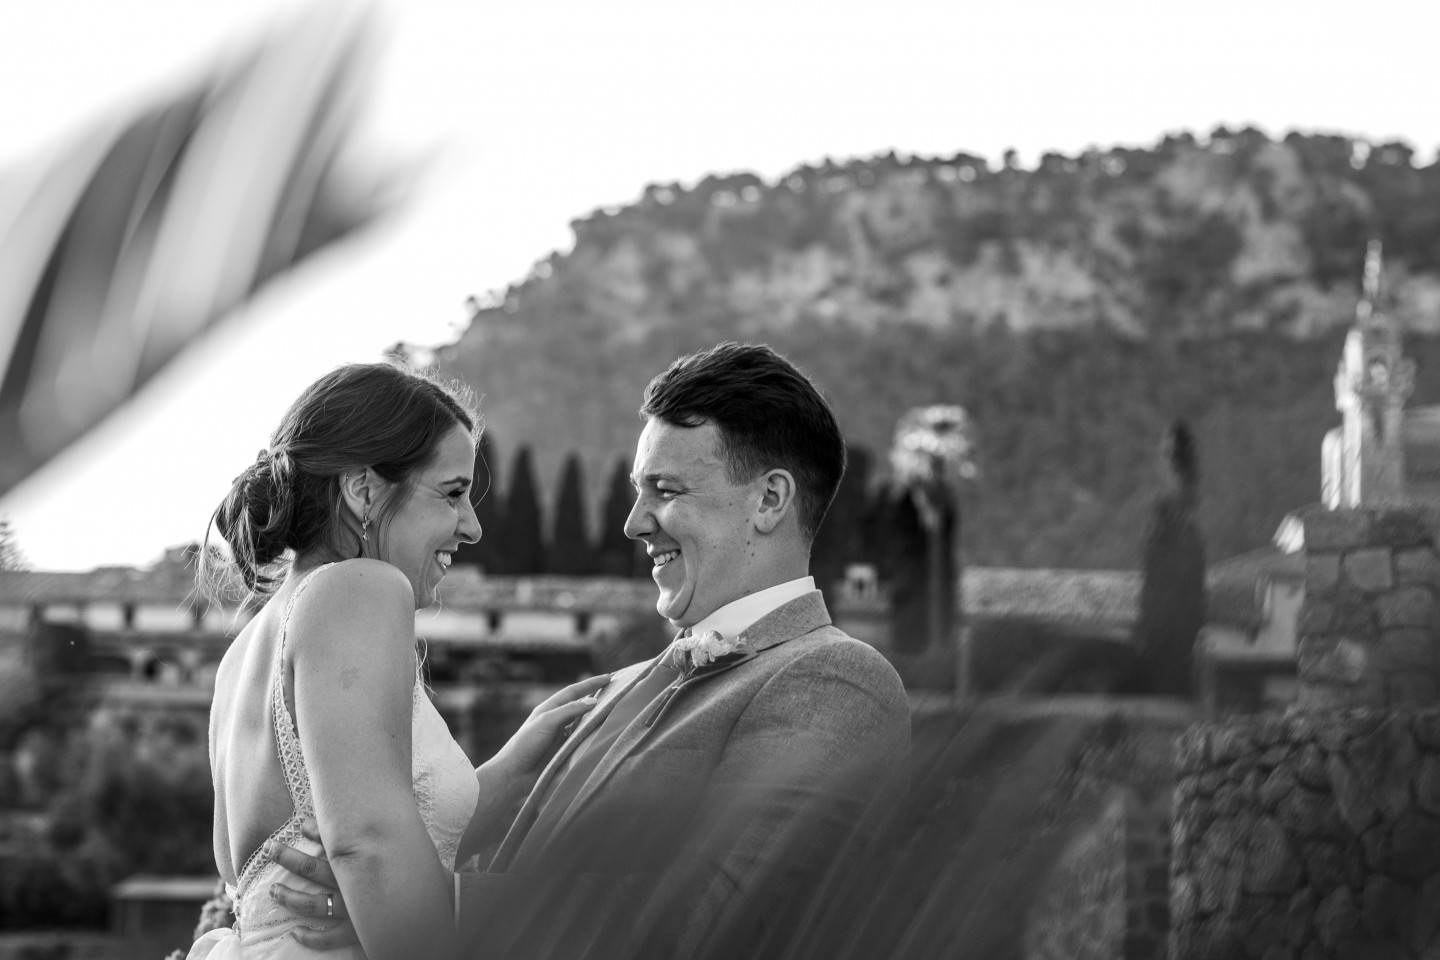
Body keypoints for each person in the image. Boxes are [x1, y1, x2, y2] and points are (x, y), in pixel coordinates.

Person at [188, 361, 605, 960]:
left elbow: (379, 827)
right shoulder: (360, 587)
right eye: (452, 493)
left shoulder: (247, 648)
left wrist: (518, 766)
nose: (473, 527)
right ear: (364, 490)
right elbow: (370, 844)